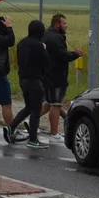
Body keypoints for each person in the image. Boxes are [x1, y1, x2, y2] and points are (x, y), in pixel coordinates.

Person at [5, 19, 50, 149]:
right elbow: (47, 63)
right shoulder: (38, 45)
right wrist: (45, 50)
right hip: (35, 80)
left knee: (28, 107)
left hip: (23, 80)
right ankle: (33, 139)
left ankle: (11, 128)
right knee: (36, 110)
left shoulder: (22, 43)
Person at [41, 13, 83, 142]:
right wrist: (76, 54)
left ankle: (29, 119)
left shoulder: (45, 35)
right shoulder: (56, 38)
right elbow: (62, 56)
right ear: (57, 24)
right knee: (56, 104)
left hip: (46, 74)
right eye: (64, 23)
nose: (66, 26)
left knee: (48, 103)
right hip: (56, 75)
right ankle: (54, 133)